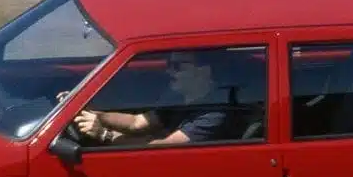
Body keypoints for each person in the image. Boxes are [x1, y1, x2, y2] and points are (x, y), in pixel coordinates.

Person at [61, 51, 232, 146]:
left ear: (205, 71)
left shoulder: (215, 112)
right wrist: (94, 114)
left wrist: (105, 135)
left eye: (177, 66)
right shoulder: (178, 96)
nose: (169, 71)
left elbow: (163, 147)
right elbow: (137, 122)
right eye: (169, 65)